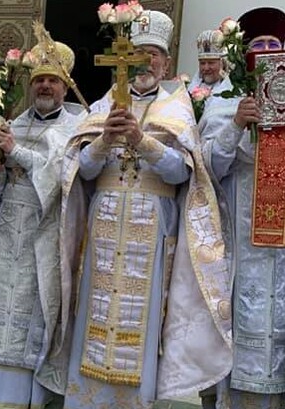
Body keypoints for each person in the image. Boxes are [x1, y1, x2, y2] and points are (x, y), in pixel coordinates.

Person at [58, 10, 231, 408]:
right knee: (95, 309)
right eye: (139, 53)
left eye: (154, 54)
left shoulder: (178, 109)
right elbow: (83, 171)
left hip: (152, 230)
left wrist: (143, 141)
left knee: (144, 316)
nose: (147, 62)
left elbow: (182, 174)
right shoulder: (102, 107)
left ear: (166, 64)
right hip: (103, 226)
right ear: (124, 60)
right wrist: (103, 141)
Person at [0, 39, 86, 408]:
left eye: (52, 81)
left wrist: (15, 152)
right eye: (39, 80)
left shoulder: (76, 128)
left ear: (64, 87)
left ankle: (35, 398)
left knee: (37, 313)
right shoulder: (13, 124)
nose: (45, 86)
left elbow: (63, 177)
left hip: (46, 236)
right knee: (1, 313)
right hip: (7, 234)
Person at [200, 7, 285, 408]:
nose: (264, 52)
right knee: (240, 315)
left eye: (273, 45)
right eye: (257, 45)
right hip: (239, 238)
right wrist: (236, 125)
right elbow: (207, 169)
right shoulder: (222, 103)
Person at [187, 29, 228, 94]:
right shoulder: (192, 89)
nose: (206, 68)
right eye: (202, 63)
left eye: (211, 63)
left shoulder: (230, 92)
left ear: (222, 63)